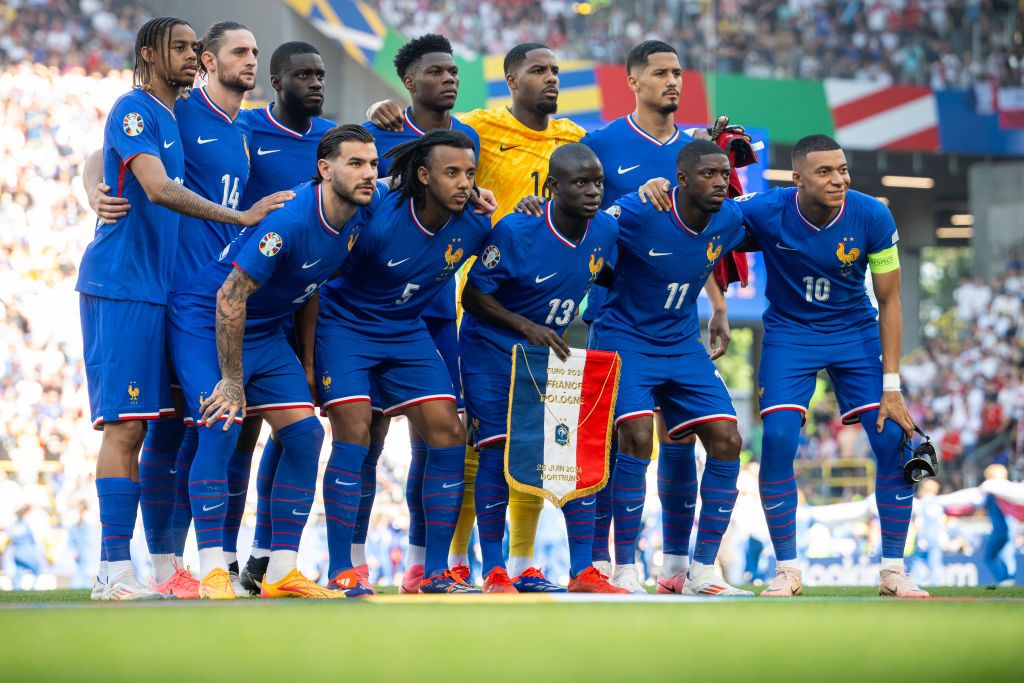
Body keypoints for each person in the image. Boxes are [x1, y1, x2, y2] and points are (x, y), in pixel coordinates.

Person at [640, 133, 925, 597]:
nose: (839, 179)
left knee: (894, 437)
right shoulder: (765, 209)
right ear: (797, 179)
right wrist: (662, 185)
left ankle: (894, 571)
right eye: (825, 172)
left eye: (843, 169)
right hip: (790, 335)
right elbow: (702, 215)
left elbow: (891, 301)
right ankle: (788, 571)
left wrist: (891, 385)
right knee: (775, 440)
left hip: (854, 332)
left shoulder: (873, 213)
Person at [78, 16, 287, 601]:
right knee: (125, 427)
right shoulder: (136, 106)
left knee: (154, 428)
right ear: (149, 53)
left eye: (197, 48)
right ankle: (112, 571)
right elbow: (157, 188)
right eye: (181, 47)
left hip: (160, 291)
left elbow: (105, 158)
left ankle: (160, 570)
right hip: (121, 284)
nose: (193, 56)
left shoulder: (173, 115)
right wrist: (240, 217)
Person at [370, 42, 585, 591]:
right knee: (467, 443)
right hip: (476, 304)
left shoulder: (575, 140)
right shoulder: (478, 129)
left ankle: (519, 562)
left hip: (546, 314)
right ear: (511, 79)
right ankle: (453, 559)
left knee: (531, 445)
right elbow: (427, 140)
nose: (551, 78)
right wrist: (381, 110)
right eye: (539, 70)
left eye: (556, 70)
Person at [167, 124, 384, 599]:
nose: (369, 173)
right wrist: (231, 379)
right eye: (356, 163)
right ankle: (212, 573)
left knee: (306, 435)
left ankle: (283, 570)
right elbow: (229, 297)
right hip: (208, 319)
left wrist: (306, 364)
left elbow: (310, 288)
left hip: (264, 330)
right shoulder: (289, 221)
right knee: (223, 421)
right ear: (325, 170)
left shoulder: (361, 210)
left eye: (372, 163)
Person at [309, 130, 492, 594]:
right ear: (424, 175)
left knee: (448, 430)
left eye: (470, 174)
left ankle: (433, 573)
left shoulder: (475, 224)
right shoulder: (376, 216)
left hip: (405, 329)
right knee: (354, 432)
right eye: (452, 173)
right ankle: (341, 569)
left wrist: (529, 207)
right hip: (345, 325)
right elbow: (313, 279)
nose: (464, 184)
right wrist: (308, 358)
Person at [577, 40, 728, 591]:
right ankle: (609, 562)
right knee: (627, 438)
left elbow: (701, 237)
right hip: (617, 315)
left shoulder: (697, 149)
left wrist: (717, 302)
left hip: (678, 321)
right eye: (661, 73)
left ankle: (677, 566)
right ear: (633, 82)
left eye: (679, 72)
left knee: (683, 436)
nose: (674, 82)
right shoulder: (601, 146)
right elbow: (581, 218)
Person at [461, 143, 625, 594]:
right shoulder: (516, 230)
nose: (592, 192)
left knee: (568, 458)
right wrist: (524, 325)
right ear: (552, 187)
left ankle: (583, 571)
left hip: (548, 355)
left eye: (598, 183)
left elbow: (608, 274)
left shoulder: (605, 231)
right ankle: (494, 570)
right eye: (580, 183)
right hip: (491, 349)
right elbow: (471, 297)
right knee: (496, 450)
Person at [358, 34, 480, 594]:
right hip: (375, 312)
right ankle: (353, 561)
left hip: (437, 311)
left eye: (453, 70)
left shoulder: (466, 138)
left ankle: (421, 564)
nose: (449, 78)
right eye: (436, 71)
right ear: (410, 81)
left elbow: (476, 207)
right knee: (370, 435)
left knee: (438, 438)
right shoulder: (381, 130)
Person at [230, 40, 337, 596]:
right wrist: (94, 188)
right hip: (241, 298)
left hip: (305, 302)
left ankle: (267, 559)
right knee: (240, 437)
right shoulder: (245, 130)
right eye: (303, 75)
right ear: (275, 80)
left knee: (297, 431)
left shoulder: (335, 141)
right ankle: (222, 561)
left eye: (320, 74)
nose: (315, 82)